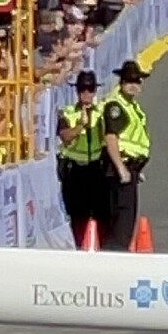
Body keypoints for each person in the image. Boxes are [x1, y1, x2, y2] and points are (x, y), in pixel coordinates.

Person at [102, 60, 152, 251]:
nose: (133, 85)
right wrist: (121, 168)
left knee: (127, 219)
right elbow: (111, 137)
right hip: (120, 169)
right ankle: (114, 256)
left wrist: (137, 168)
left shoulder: (132, 107)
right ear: (121, 82)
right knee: (121, 222)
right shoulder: (117, 106)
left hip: (130, 168)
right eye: (129, 81)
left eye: (136, 81)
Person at [57, 70, 107, 247]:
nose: (86, 94)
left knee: (101, 213)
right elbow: (65, 136)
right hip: (75, 170)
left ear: (95, 91)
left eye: (90, 89)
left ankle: (99, 248)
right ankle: (80, 247)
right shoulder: (68, 113)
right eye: (82, 89)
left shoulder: (102, 112)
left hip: (96, 168)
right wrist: (81, 126)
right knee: (78, 215)